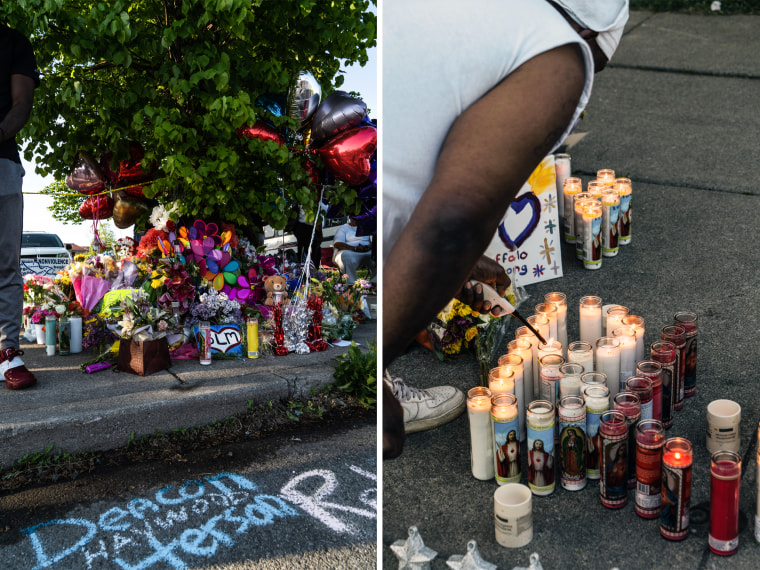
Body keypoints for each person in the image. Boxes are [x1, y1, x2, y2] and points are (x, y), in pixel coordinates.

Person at [383, 0, 629, 459]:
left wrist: (457, 268)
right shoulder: (559, 53)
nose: (576, 111)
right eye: (596, 70)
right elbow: (453, 224)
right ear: (592, 35)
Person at [0, 23, 39, 390]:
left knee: (6, 264)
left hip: (1, 163)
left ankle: (8, 352)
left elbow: (21, 104)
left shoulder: (12, 41)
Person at [332, 217, 374, 285]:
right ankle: (352, 284)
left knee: (378, 254)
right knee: (345, 255)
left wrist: (367, 247)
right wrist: (354, 248)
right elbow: (338, 244)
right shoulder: (343, 228)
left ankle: (375, 283)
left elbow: (374, 242)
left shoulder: (368, 227)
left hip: (366, 251)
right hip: (350, 251)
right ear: (350, 218)